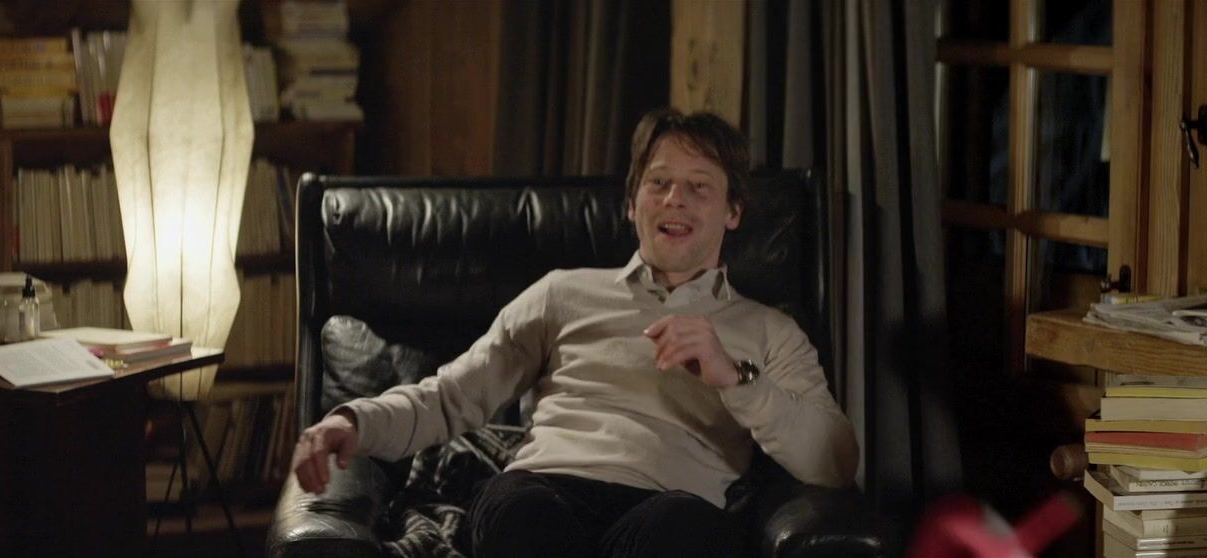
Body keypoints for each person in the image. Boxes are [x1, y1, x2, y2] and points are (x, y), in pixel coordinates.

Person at [290, 107, 859, 558]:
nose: (674, 199)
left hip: (668, 506)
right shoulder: (562, 293)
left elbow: (834, 461)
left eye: (698, 187)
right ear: (631, 204)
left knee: (681, 529)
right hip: (546, 489)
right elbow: (451, 396)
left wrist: (735, 379)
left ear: (733, 211)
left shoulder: (769, 329)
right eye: (659, 182)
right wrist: (353, 421)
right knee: (520, 512)